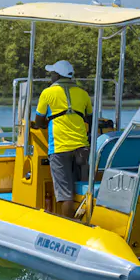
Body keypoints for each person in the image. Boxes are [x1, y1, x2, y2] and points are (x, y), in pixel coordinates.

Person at [30, 60, 92, 219]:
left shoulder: (48, 93)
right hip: (82, 148)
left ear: (57, 75)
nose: (50, 76)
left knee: (66, 194)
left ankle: (69, 227)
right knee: (82, 190)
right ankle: (87, 222)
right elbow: (90, 119)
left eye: (52, 73)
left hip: (59, 148)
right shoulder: (83, 93)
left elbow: (38, 121)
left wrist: (48, 122)